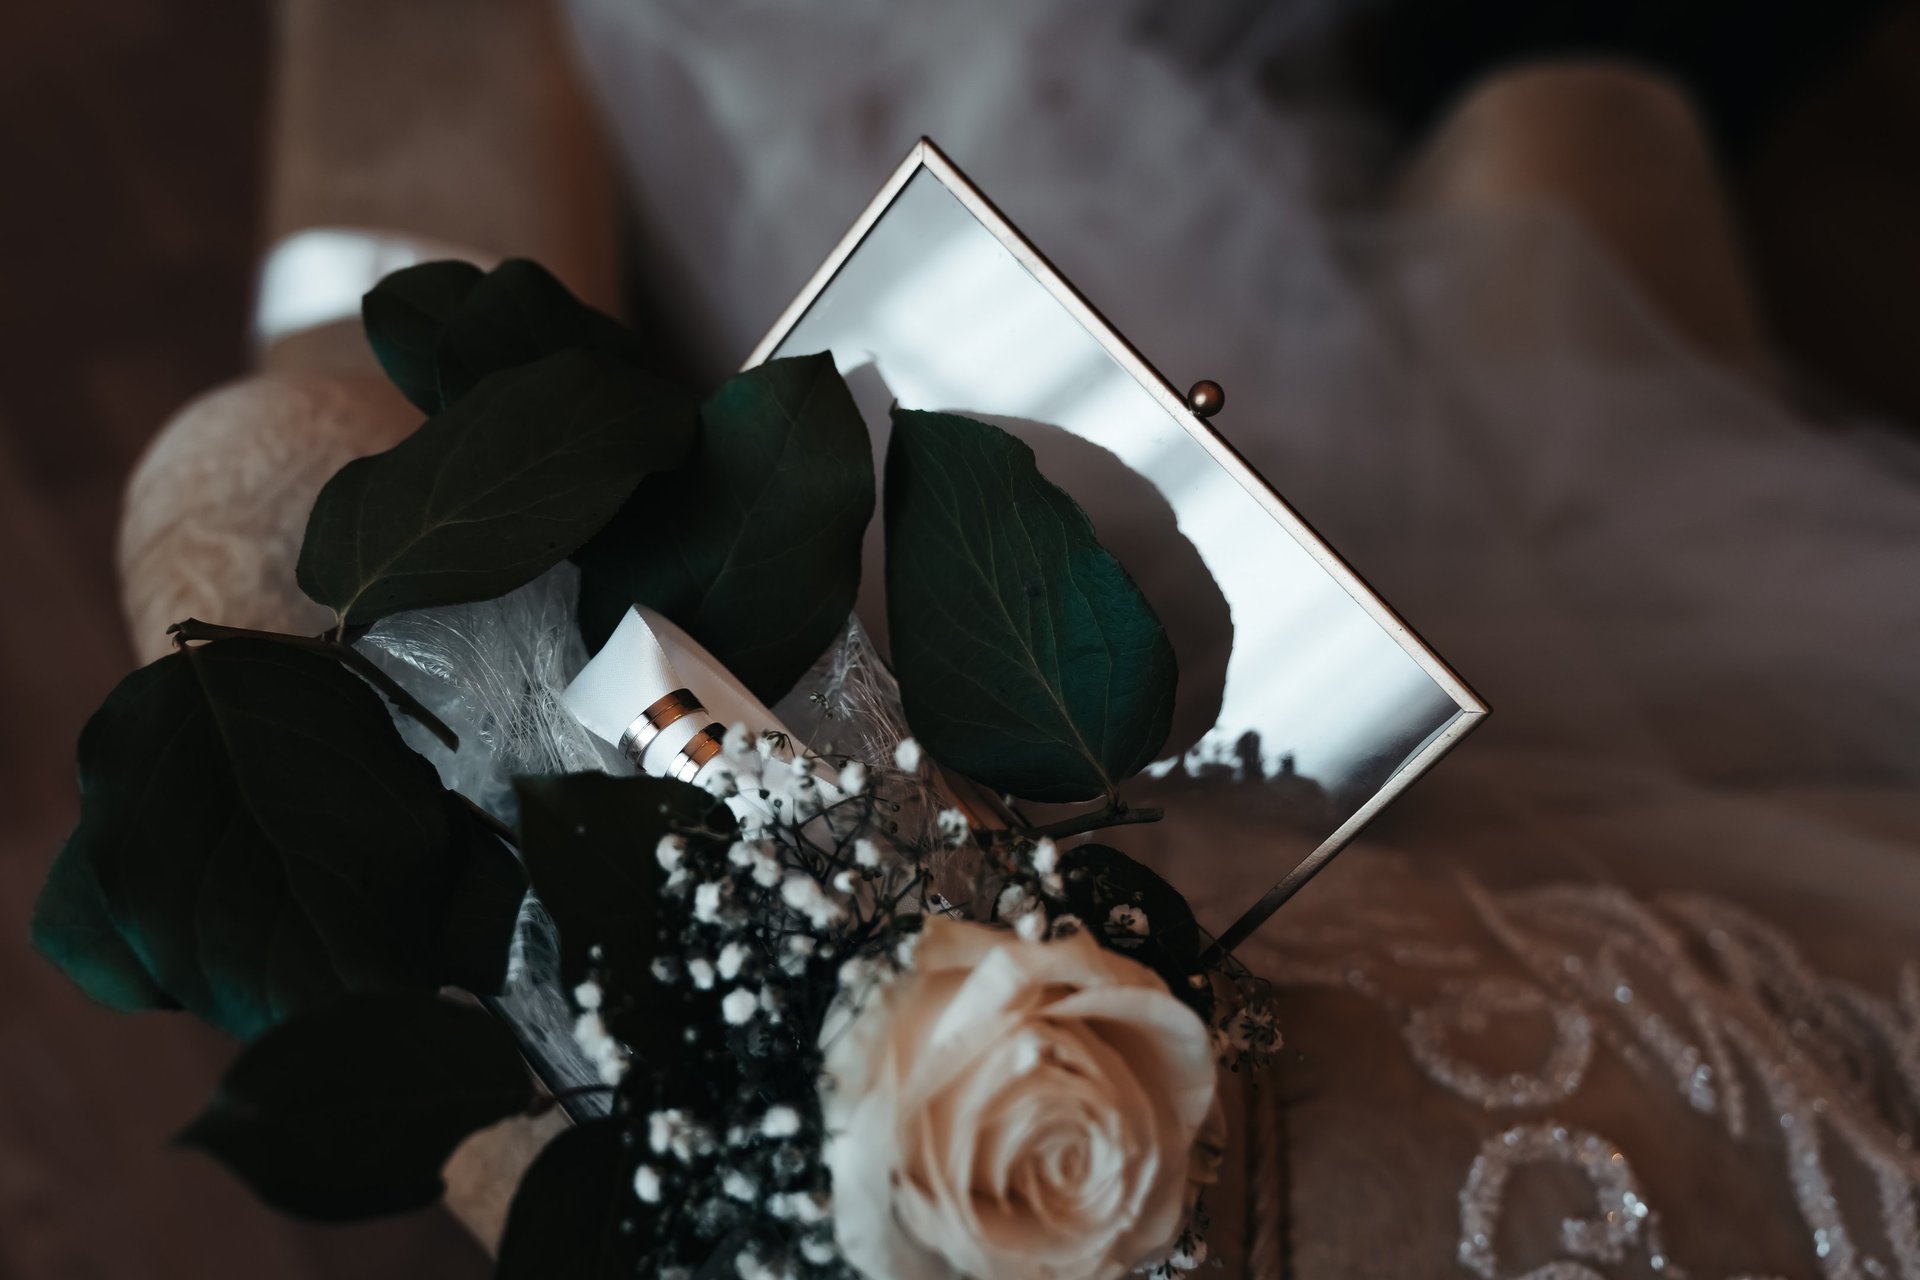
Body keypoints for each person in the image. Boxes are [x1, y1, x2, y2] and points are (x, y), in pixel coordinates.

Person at [121, 2, 1920, 1274]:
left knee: (1559, 188)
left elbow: (289, 489)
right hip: (1434, 898)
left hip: (1050, 891)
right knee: (1575, 177)